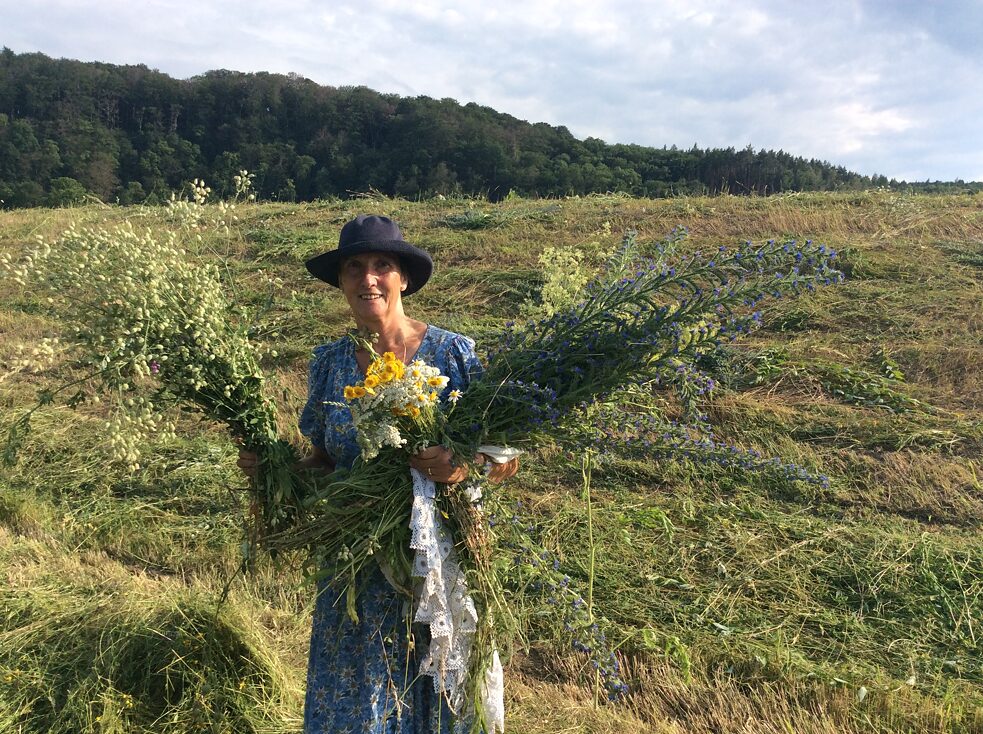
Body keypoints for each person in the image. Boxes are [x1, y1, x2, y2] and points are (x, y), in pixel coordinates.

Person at [238, 214, 517, 733]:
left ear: (403, 277)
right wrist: (275, 468)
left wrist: (460, 469)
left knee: (440, 697)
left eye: (381, 265)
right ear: (341, 282)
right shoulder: (329, 363)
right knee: (357, 702)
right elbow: (324, 463)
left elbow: (505, 458)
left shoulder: (454, 354)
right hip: (354, 567)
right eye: (354, 268)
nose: (368, 279)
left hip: (437, 561)